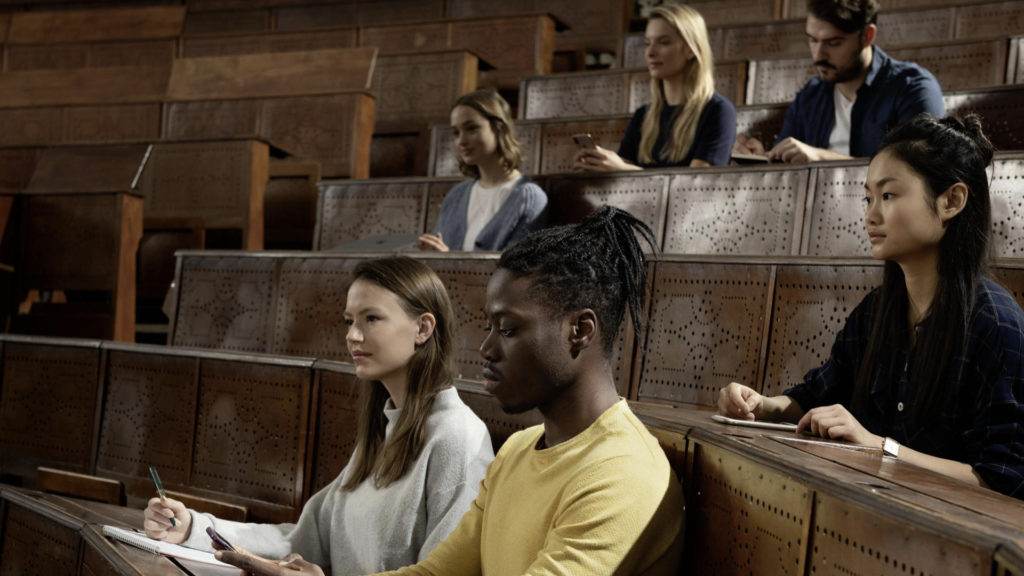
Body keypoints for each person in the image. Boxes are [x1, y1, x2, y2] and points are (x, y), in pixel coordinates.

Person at [218, 206, 685, 575]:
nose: (485, 348)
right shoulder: (519, 450)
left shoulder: (621, 474)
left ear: (579, 330)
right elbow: (436, 573)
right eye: (488, 327)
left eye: (508, 329)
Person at [719, 114, 1024, 500]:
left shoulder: (996, 325)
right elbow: (817, 395)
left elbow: (1003, 479)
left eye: (889, 195)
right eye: (868, 198)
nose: (871, 215)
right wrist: (761, 406)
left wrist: (881, 448)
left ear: (952, 201)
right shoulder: (877, 310)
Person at [143, 256, 494, 574]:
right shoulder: (383, 432)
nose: (352, 336)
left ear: (423, 328)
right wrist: (193, 527)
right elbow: (301, 541)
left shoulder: (457, 438)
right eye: (349, 321)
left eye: (371, 318)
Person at [734, 0, 945, 164]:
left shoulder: (913, 88)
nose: (819, 55)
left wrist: (821, 158)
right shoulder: (810, 96)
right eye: (812, 40)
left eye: (833, 43)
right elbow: (785, 163)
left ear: (867, 36)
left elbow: (918, 173)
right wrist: (762, 158)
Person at [574, 4, 736, 171]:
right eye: (647, 43)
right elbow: (622, 174)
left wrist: (622, 169)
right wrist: (600, 165)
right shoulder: (643, 116)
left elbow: (694, 185)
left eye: (663, 42)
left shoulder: (718, 111)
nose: (650, 53)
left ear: (690, 49)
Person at [418, 89, 546, 252]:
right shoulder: (456, 195)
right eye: (456, 133)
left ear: (499, 129)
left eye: (471, 128)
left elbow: (516, 272)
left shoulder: (530, 198)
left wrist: (448, 260)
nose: (461, 141)